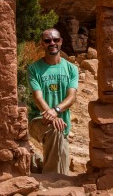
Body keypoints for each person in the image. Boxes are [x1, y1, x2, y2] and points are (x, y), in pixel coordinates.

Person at [27, 28, 78, 174]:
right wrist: (50, 115)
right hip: (39, 119)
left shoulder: (71, 69)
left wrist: (55, 111)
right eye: (48, 40)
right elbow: (38, 97)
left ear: (61, 42)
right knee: (55, 131)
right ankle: (51, 182)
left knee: (62, 163)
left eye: (55, 40)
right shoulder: (34, 69)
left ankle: (37, 163)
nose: (52, 43)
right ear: (42, 44)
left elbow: (71, 97)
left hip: (62, 123)